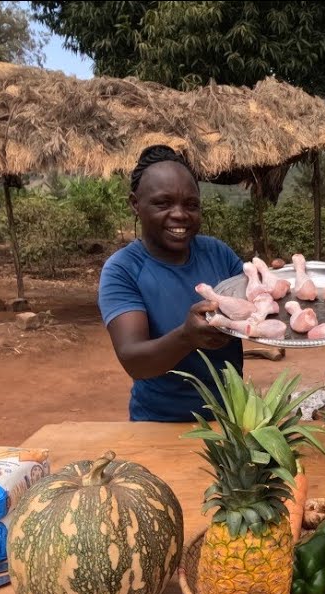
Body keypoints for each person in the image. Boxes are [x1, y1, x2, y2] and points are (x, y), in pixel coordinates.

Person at [98, 145, 244, 421]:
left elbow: (255, 307)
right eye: (163, 203)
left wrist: (271, 287)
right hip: (158, 422)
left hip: (232, 420)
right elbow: (133, 360)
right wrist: (186, 337)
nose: (180, 214)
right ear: (135, 204)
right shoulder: (122, 270)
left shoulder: (217, 253)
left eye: (191, 205)